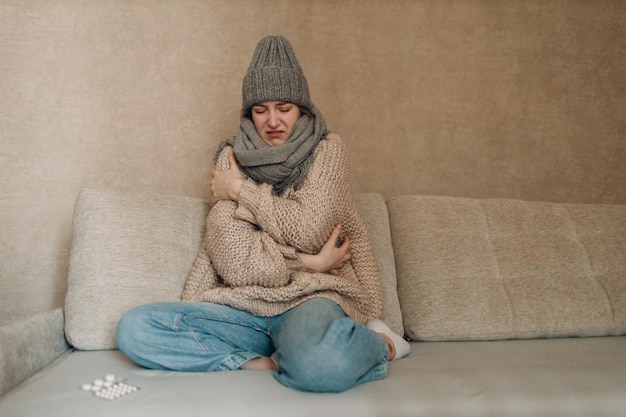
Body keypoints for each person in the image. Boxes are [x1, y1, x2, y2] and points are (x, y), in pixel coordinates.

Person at [116, 35, 409, 393]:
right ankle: (256, 362)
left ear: (303, 109)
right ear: (248, 113)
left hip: (310, 300)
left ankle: (382, 343)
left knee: (318, 364)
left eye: (284, 108)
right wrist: (310, 263)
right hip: (241, 308)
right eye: (260, 109)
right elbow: (232, 255)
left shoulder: (328, 151)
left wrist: (241, 191)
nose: (272, 120)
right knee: (135, 329)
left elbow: (309, 228)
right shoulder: (230, 158)